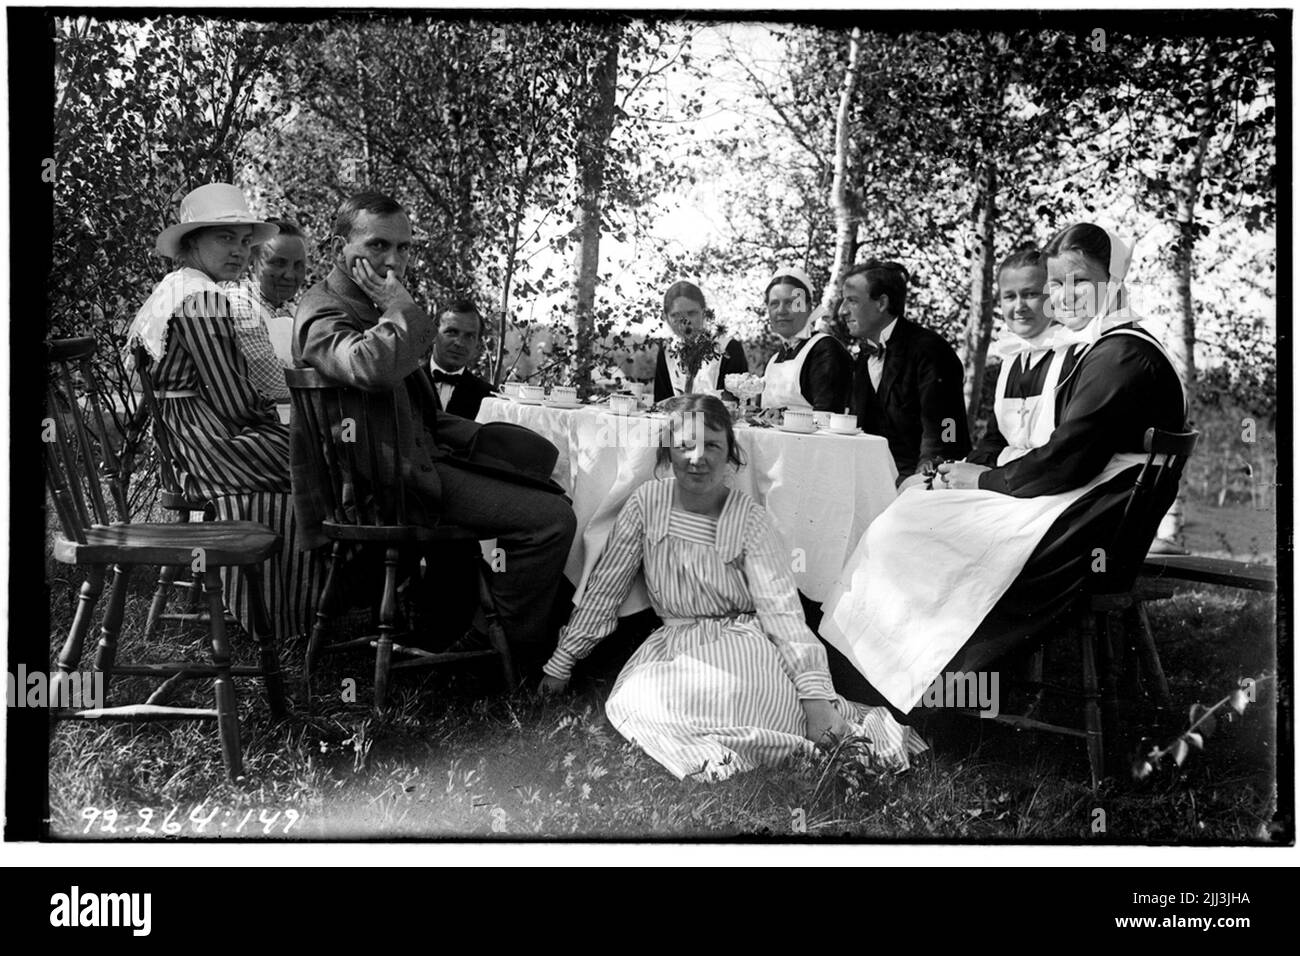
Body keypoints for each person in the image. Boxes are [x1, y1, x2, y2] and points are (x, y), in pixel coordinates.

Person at [819, 224, 1186, 713]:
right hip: (1090, 507)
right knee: (914, 517)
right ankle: (885, 674)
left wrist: (984, 480)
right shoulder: (1111, 346)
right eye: (1057, 284)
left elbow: (1068, 458)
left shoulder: (1122, 355)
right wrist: (973, 475)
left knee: (909, 529)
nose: (1066, 296)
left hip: (1091, 523)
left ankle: (899, 685)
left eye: (1079, 282)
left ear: (1114, 279)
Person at [538, 394, 926, 781]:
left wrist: (815, 700)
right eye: (685, 445)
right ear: (666, 453)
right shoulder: (645, 505)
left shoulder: (748, 518)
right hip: (678, 645)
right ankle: (740, 752)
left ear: (730, 455)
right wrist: (562, 663)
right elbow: (605, 593)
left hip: (748, 642)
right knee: (639, 700)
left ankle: (780, 740)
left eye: (712, 445)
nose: (697, 457)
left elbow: (785, 615)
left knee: (738, 694)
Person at [292, 189, 577, 670]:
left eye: (403, 248)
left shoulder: (370, 304)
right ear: (339, 245)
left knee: (545, 476)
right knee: (550, 520)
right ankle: (503, 650)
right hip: (388, 486)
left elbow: (407, 403)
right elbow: (370, 367)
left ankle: (480, 626)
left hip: (412, 464)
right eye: (378, 246)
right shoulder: (323, 310)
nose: (394, 261)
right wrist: (401, 307)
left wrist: (476, 436)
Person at [126, 183, 321, 642]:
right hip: (208, 441)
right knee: (318, 461)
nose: (239, 251)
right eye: (224, 239)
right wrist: (275, 424)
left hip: (187, 440)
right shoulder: (203, 300)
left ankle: (296, 606)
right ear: (192, 242)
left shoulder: (177, 289)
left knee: (313, 450)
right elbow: (233, 402)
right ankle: (290, 618)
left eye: (242, 240)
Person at [842, 259, 970, 482]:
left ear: (881, 303)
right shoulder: (863, 358)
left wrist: (922, 481)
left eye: (852, 301)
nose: (842, 310)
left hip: (923, 481)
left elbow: (947, 429)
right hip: (871, 478)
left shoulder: (930, 350)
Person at [964, 248, 1083, 470]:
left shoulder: (1073, 355)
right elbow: (994, 439)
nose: (1019, 307)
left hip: (1047, 481)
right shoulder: (1011, 358)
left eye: (1031, 294)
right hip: (1003, 475)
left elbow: (1070, 449)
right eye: (1010, 296)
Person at [224, 218, 309, 414]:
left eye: (298, 265)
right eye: (278, 263)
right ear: (252, 264)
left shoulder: (294, 310)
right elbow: (272, 382)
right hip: (265, 428)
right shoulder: (240, 305)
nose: (290, 275)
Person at [760, 267, 853, 413]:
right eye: (774, 304)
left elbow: (828, 417)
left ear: (809, 307)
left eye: (791, 303)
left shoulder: (825, 350)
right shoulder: (774, 359)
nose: (781, 311)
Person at [652, 280, 748, 402]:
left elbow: (736, 405)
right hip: (674, 421)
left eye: (691, 313)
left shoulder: (728, 348)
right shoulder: (667, 352)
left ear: (704, 312)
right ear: (666, 317)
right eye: (675, 315)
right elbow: (661, 403)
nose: (685, 321)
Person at [429, 299, 496, 419]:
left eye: (469, 336)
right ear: (433, 334)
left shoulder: (489, 398)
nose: (459, 343)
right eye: (452, 332)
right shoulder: (405, 383)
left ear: (478, 344)